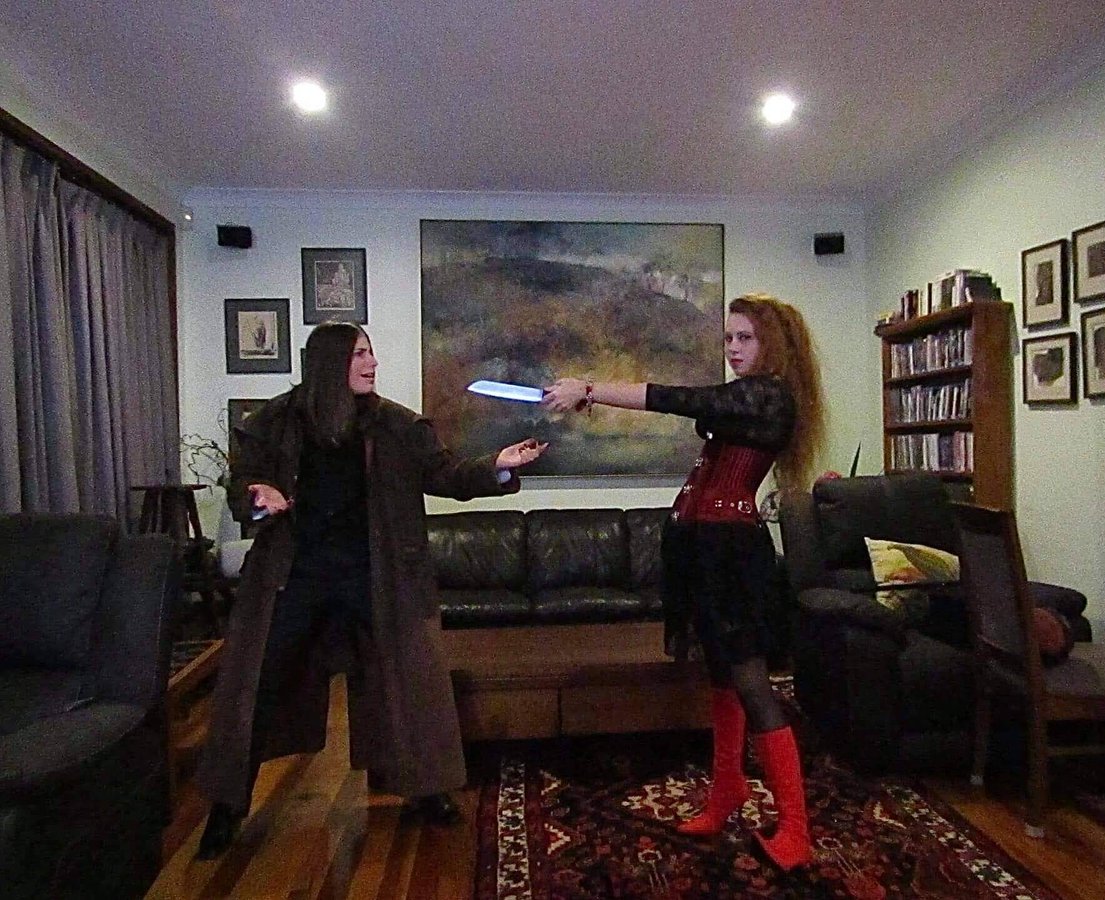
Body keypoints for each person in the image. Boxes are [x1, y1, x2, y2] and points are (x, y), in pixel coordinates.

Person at [195, 321, 546, 859]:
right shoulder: (274, 423)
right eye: (361, 353)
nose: (373, 363)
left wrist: (496, 467)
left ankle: (427, 791)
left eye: (371, 353)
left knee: (409, 684)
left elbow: (446, 474)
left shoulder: (395, 425)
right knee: (255, 687)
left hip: (379, 576)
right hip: (295, 577)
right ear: (331, 361)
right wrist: (257, 496)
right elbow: (244, 486)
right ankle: (226, 808)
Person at [541, 293, 825, 871]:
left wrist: (590, 388)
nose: (734, 348)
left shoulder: (769, 397)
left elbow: (679, 399)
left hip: (731, 557)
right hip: (704, 550)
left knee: (752, 683)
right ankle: (728, 791)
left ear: (774, 344)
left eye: (746, 338)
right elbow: (700, 407)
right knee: (721, 675)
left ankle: (796, 828)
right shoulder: (747, 399)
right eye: (729, 337)